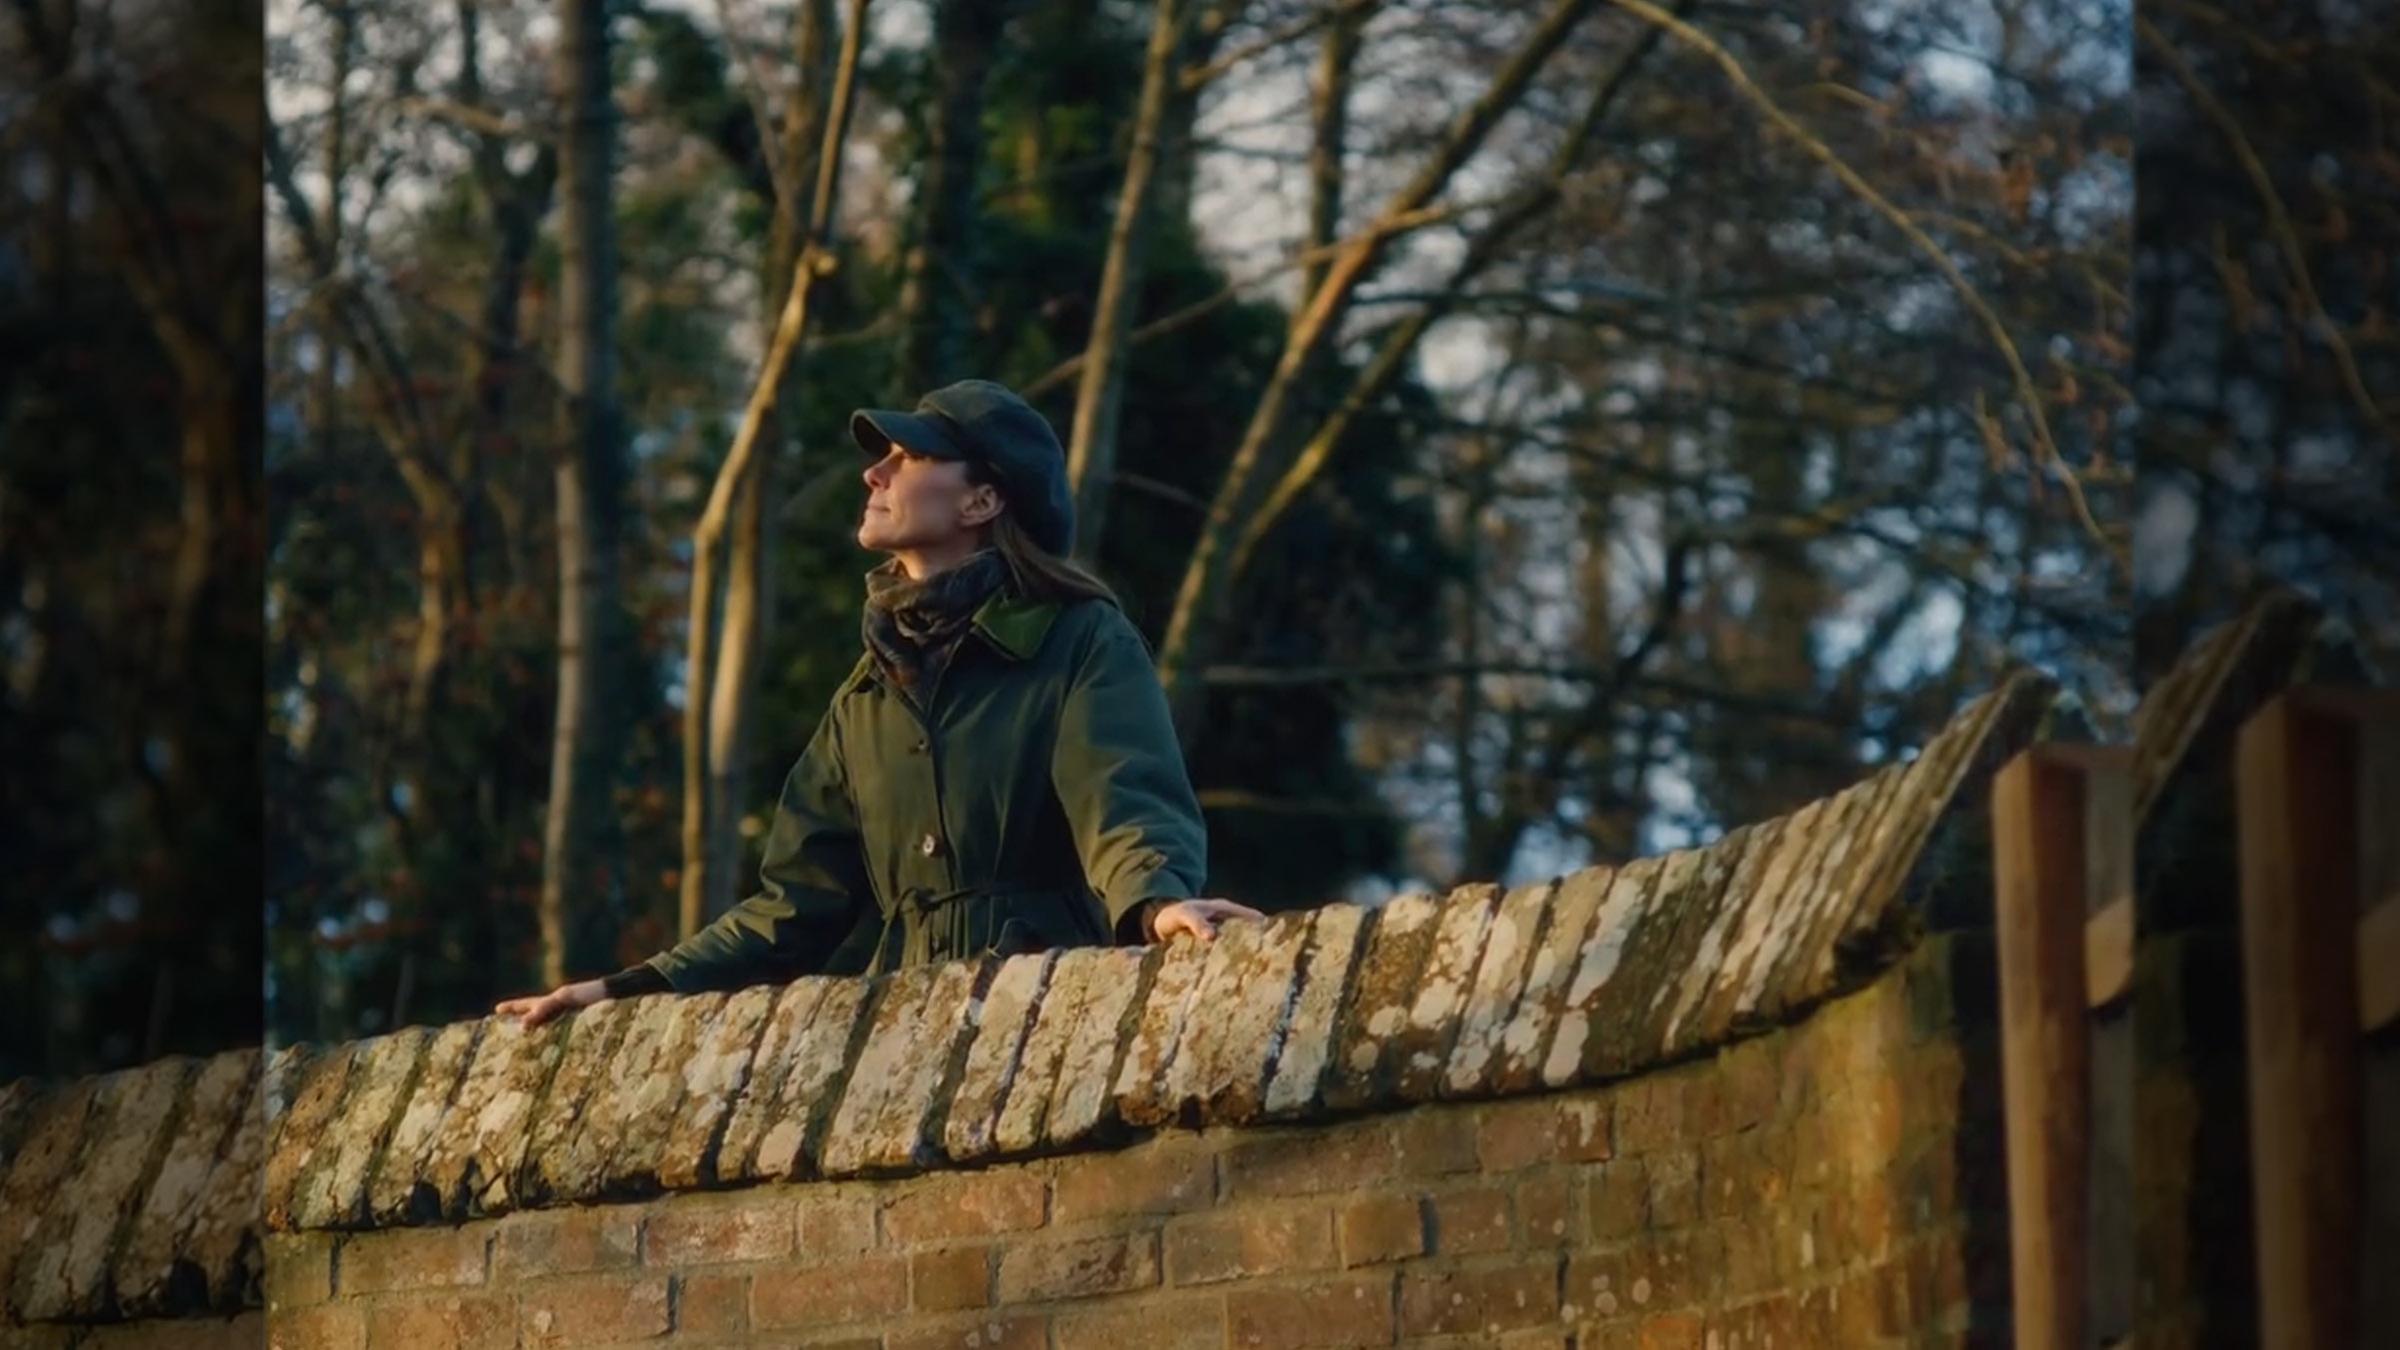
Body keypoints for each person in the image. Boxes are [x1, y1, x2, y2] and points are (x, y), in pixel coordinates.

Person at [496, 378, 1262, 1029]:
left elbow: (1125, 799)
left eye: (910, 458)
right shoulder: (866, 696)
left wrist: (1158, 903)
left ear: (982, 499)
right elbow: (794, 905)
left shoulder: (1080, 639)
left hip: (1052, 1013)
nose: (875, 474)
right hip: (907, 1032)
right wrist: (628, 988)